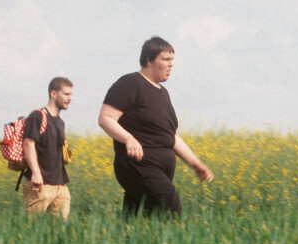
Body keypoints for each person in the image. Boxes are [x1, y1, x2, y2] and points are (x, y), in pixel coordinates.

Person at [98, 37, 213, 216]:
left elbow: (170, 137)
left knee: (138, 221)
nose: (171, 65)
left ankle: (127, 243)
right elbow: (106, 118)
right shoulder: (130, 83)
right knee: (171, 212)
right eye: (166, 59)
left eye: (172, 60)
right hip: (139, 164)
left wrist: (195, 163)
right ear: (149, 60)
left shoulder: (163, 93)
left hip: (158, 168)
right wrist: (128, 139)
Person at [23, 77, 74, 219]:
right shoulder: (37, 116)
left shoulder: (60, 122)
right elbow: (28, 143)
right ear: (53, 93)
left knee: (59, 234)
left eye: (71, 95)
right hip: (40, 184)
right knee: (33, 230)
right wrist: (36, 173)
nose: (70, 98)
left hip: (60, 186)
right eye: (66, 94)